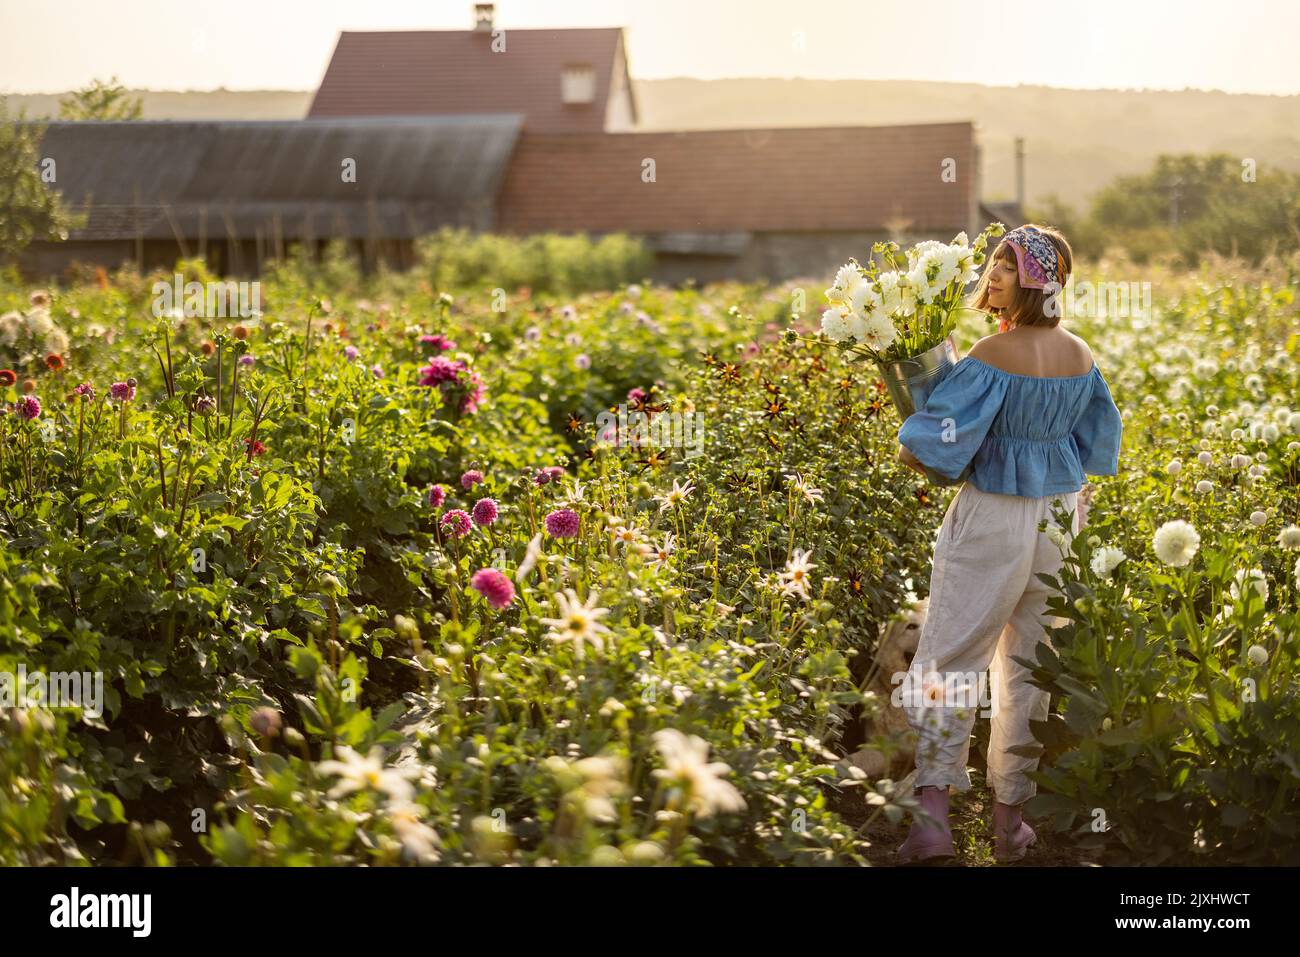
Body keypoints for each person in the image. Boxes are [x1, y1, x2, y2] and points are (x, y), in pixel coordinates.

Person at [892, 224, 1123, 864]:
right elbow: (1097, 444)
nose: (992, 273)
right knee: (1030, 668)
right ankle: (1010, 822)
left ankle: (932, 822)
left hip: (994, 516)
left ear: (1036, 281)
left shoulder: (989, 360)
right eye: (994, 260)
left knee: (952, 658)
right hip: (1059, 518)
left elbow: (933, 452)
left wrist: (907, 434)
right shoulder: (1080, 355)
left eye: (1009, 265)